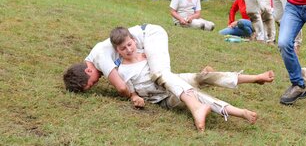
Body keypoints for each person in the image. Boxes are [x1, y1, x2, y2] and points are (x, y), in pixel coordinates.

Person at [63, 25, 275, 131]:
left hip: (153, 34)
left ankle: (195, 107)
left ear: (88, 71)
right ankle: (253, 80)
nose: (97, 84)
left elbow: (120, 87)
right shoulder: (117, 59)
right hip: (158, 88)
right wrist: (134, 94)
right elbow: (126, 83)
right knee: (200, 78)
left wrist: (131, 94)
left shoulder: (100, 56)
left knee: (160, 73)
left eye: (91, 84)